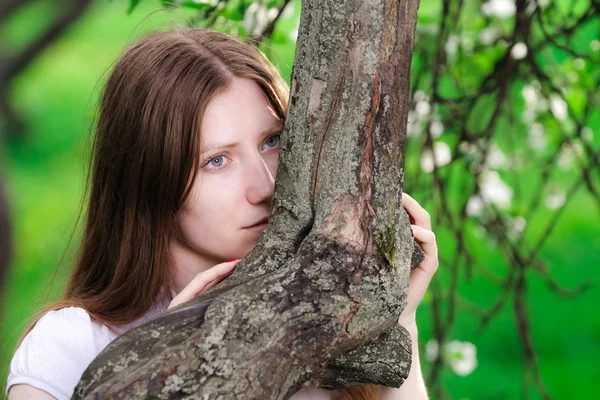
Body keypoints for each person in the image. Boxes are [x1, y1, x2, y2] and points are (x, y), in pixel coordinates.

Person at [5, 27, 438, 400]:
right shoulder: (70, 349)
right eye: (216, 160)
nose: (265, 187)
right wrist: (177, 355)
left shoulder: (321, 323)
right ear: (146, 181)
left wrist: (397, 322)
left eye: (272, 141)